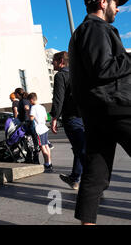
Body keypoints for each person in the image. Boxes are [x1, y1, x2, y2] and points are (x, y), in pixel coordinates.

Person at [69, 0, 131, 225]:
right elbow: (102, 68)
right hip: (115, 108)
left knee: (96, 175)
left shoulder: (82, 32)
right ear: (103, 3)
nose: (118, 9)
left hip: (96, 113)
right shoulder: (95, 28)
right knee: (95, 174)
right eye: (116, 4)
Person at [50, 51, 86, 190]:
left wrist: (54, 117)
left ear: (61, 61)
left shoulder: (60, 76)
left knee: (81, 150)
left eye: (53, 60)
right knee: (79, 148)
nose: (52, 63)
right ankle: (75, 178)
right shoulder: (78, 74)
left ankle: (94, 184)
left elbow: (58, 99)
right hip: (84, 117)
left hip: (71, 117)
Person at [29, 93, 53, 173]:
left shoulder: (33, 107)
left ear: (32, 100)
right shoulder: (42, 107)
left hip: (38, 129)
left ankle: (47, 164)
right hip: (44, 127)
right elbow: (46, 118)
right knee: (46, 146)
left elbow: (31, 118)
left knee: (42, 147)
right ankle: (49, 162)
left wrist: (28, 112)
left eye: (29, 101)